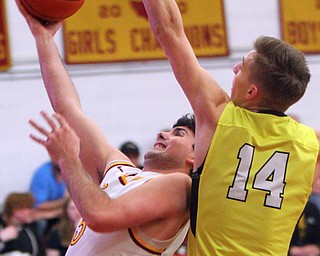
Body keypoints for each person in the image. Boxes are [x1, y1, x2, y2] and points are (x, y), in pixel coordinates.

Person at [16, 0, 195, 255]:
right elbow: (69, 110)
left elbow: (101, 216)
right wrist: (44, 39)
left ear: (194, 156)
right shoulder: (121, 168)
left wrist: (69, 160)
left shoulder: (179, 186)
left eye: (179, 133)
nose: (163, 133)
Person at [141, 0, 319, 255]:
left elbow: (168, 29)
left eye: (242, 68)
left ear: (251, 91)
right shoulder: (309, 143)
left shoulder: (219, 116)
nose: (234, 69)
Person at [29, 160, 67, 236]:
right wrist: (64, 203)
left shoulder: (73, 171)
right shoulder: (43, 173)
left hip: (63, 211)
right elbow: (38, 205)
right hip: (46, 214)